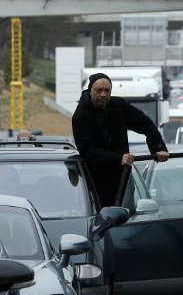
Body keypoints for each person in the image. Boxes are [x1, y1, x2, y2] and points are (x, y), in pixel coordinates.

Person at [72, 72, 169, 207]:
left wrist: (159, 148)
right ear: (90, 91)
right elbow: (87, 151)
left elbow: (145, 123)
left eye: (107, 90)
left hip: (123, 179)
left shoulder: (118, 106)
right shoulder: (80, 115)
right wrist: (118, 159)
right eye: (98, 90)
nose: (103, 94)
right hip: (96, 184)